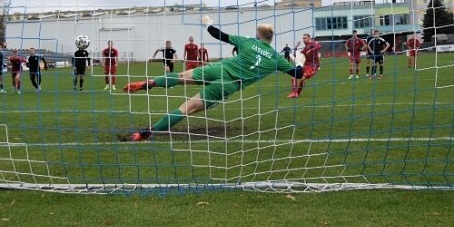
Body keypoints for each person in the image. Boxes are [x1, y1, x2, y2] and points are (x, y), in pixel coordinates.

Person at [121, 16, 305, 142]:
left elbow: (218, 34)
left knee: (180, 76)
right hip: (229, 84)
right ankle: (145, 134)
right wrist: (298, 61)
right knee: (186, 108)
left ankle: (149, 83)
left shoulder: (248, 41)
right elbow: (298, 74)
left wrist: (207, 23)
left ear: (258, 35)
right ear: (271, 39)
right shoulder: (276, 57)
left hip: (219, 68)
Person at [287, 33, 322, 99]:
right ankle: (294, 93)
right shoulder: (305, 47)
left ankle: (297, 93)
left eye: (305, 38)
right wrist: (295, 47)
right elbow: (297, 55)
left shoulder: (314, 43)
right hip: (306, 65)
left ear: (309, 38)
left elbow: (319, 46)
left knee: (302, 78)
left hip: (313, 66)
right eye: (303, 38)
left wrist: (310, 50)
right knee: (293, 76)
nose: (303, 40)